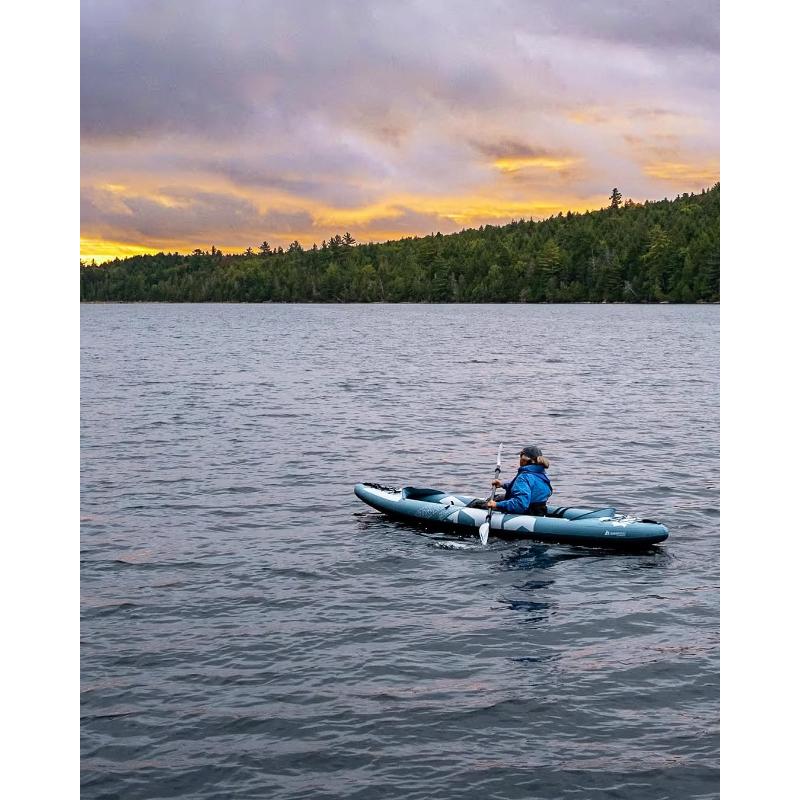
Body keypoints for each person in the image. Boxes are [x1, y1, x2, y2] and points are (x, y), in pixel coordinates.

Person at [486, 445, 553, 516]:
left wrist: (497, 504)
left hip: (527, 512)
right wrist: (502, 484)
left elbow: (520, 504)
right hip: (539, 510)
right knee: (499, 497)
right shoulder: (540, 474)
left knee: (479, 505)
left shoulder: (524, 477)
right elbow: (528, 487)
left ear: (524, 460)